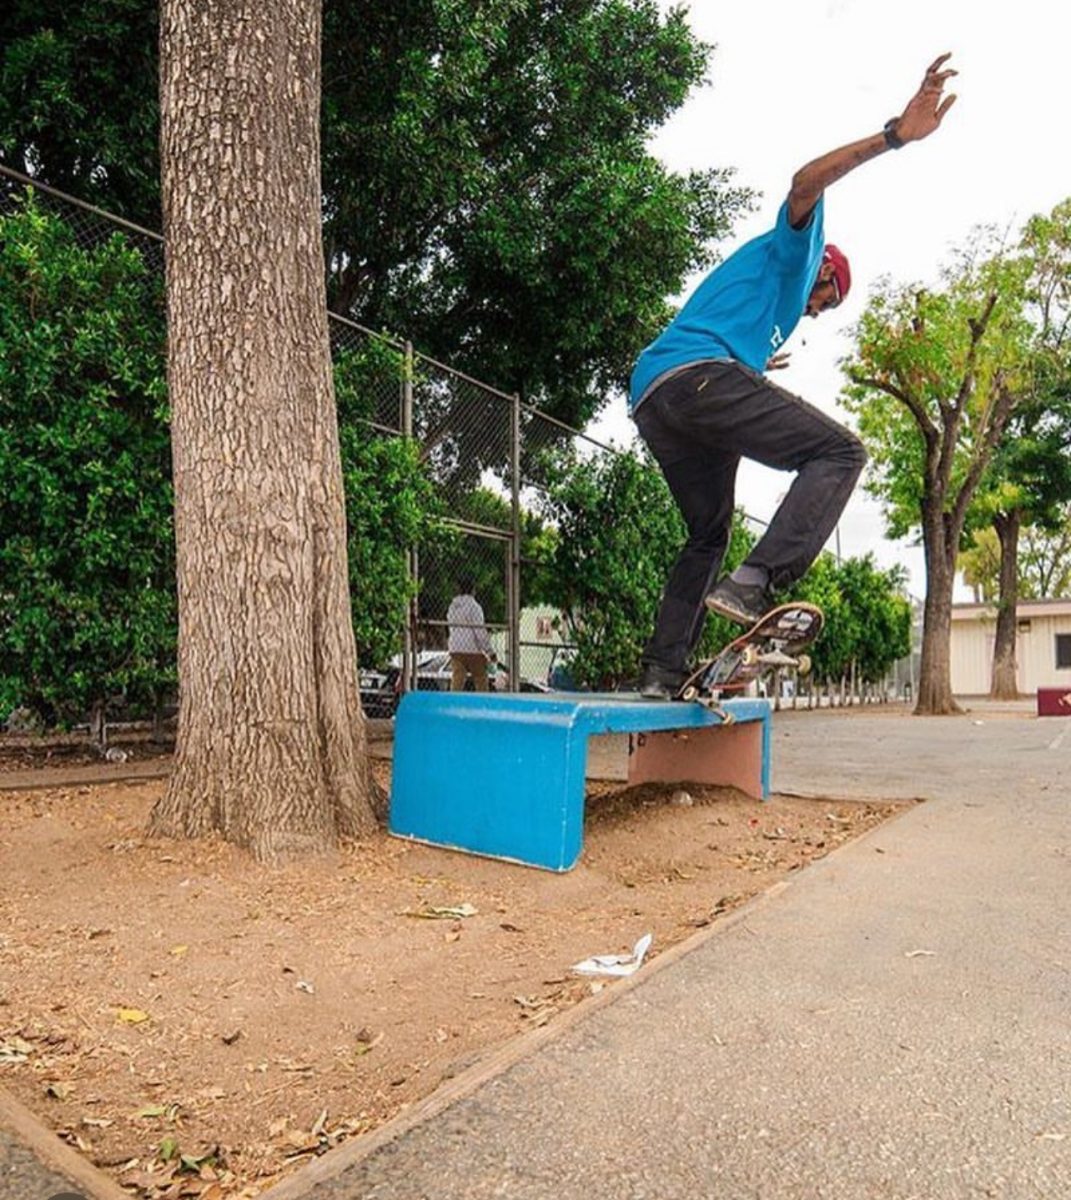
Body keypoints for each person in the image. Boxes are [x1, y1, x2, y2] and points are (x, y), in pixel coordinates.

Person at [631, 53, 957, 700]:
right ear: (825, 269)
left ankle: (662, 668)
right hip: (701, 378)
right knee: (839, 451)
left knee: (707, 532)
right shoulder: (799, 248)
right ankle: (758, 581)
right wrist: (894, 135)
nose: (818, 308)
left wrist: (752, 360)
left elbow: (715, 323)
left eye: (825, 308)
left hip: (656, 395)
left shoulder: (764, 309)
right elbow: (805, 181)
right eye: (825, 296)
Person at [447, 578, 496, 692]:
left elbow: (450, 627)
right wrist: (489, 651)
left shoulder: (453, 606)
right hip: (472, 648)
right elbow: (479, 630)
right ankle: (483, 702)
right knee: (480, 677)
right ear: (473, 590)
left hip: (455, 648)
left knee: (457, 678)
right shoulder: (475, 607)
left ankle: (453, 702)